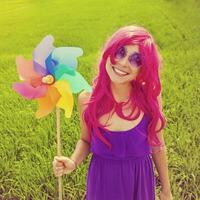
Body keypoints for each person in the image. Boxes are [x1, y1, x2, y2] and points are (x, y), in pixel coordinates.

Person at [52, 25, 173, 200]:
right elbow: (85, 140)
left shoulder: (150, 97)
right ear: (109, 52)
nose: (123, 63)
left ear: (143, 68)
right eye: (120, 52)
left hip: (139, 183)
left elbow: (158, 145)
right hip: (102, 184)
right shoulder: (87, 100)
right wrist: (73, 161)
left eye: (136, 59)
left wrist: (166, 190)